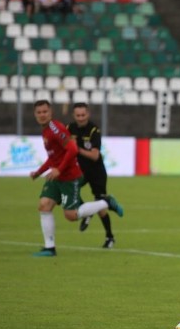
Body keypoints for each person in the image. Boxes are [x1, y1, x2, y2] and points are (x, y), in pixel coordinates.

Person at [29, 100, 123, 257]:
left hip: (72, 175)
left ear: (51, 112)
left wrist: (59, 169)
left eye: (45, 112)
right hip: (59, 174)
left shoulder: (56, 129)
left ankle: (106, 203)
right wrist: (39, 172)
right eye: (39, 112)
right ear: (35, 114)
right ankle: (49, 248)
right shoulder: (49, 129)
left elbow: (72, 149)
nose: (42, 115)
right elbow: (54, 156)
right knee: (44, 205)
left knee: (70, 215)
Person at [68, 103, 117, 249]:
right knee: (70, 188)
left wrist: (78, 149)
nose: (81, 118)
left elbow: (95, 156)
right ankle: (86, 212)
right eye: (78, 115)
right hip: (80, 170)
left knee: (101, 206)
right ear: (74, 116)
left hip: (96, 172)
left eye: (83, 115)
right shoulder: (69, 128)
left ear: (88, 114)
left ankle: (110, 237)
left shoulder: (94, 130)